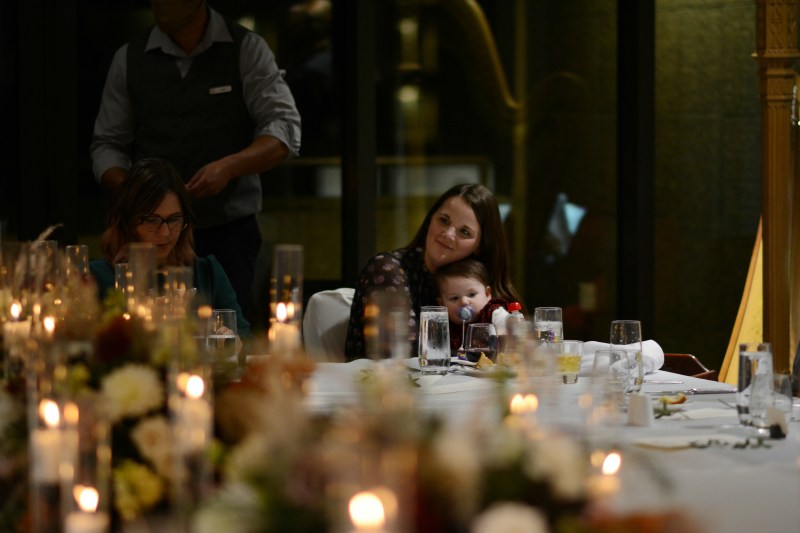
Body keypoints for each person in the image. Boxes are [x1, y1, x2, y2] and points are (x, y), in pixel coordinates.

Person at [90, 0, 302, 324]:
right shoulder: (130, 57)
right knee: (140, 329)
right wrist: (137, 195)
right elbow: (107, 144)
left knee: (226, 331)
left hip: (227, 228)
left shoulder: (245, 48)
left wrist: (229, 167)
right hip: (148, 234)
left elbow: (284, 130)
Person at [344, 183, 523, 360]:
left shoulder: (474, 284)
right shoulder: (388, 269)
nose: (448, 234)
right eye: (444, 220)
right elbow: (401, 356)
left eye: (464, 232)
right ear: (430, 219)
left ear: (480, 246)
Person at [89, 158, 250, 338]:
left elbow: (244, 336)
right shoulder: (97, 277)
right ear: (126, 222)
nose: (165, 233)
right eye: (152, 220)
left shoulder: (207, 272)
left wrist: (230, 339)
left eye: (174, 219)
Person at [434, 259, 514, 354]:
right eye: (454, 298)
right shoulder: (444, 325)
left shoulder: (494, 313)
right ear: (442, 304)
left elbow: (513, 332)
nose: (464, 302)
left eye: (471, 294)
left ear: (487, 294)